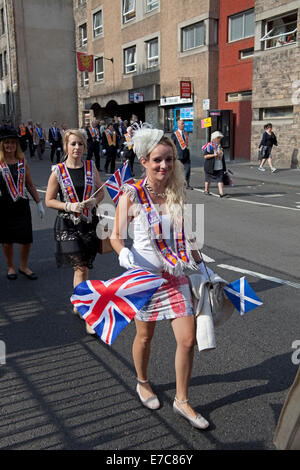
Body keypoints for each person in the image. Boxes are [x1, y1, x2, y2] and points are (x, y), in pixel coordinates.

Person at [110, 124, 211, 430]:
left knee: (188, 339)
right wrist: (121, 252)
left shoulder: (175, 190)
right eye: (158, 160)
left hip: (175, 274)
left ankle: (181, 400)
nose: (164, 165)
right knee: (145, 336)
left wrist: (201, 262)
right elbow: (116, 235)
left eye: (169, 159)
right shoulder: (132, 195)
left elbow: (185, 234)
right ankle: (142, 381)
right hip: (145, 279)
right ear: (144, 161)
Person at [45, 129, 105, 334]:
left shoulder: (91, 167)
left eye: (80, 144)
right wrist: (69, 206)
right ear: (66, 146)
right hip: (68, 225)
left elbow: (101, 192)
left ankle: (78, 302)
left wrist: (93, 201)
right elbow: (49, 200)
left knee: (84, 268)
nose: (77, 148)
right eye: (73, 144)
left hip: (88, 223)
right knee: (80, 267)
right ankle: (87, 313)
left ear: (85, 146)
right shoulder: (58, 171)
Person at [0, 126, 45, 280]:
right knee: (7, 241)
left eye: (13, 143)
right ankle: (11, 267)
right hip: (4, 206)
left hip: (22, 205)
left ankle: (24, 266)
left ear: (16, 145)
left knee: (26, 239)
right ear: (2, 145)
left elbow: (30, 183)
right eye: (7, 143)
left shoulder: (22, 161)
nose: (10, 146)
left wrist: (39, 203)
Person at [202, 131, 228, 198]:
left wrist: (224, 168)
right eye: (218, 138)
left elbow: (222, 158)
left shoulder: (220, 147)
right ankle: (206, 190)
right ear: (214, 138)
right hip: (210, 166)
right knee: (208, 179)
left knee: (220, 179)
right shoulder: (209, 146)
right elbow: (205, 156)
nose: (220, 139)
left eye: (220, 138)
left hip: (219, 166)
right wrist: (213, 155)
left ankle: (221, 193)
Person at [171, 119, 192, 189]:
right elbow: (172, 145)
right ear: (178, 125)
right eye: (182, 124)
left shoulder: (185, 133)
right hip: (179, 156)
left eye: (183, 124)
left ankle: (187, 184)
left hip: (186, 155)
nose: (183, 125)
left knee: (188, 170)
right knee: (178, 171)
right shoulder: (174, 134)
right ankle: (177, 183)